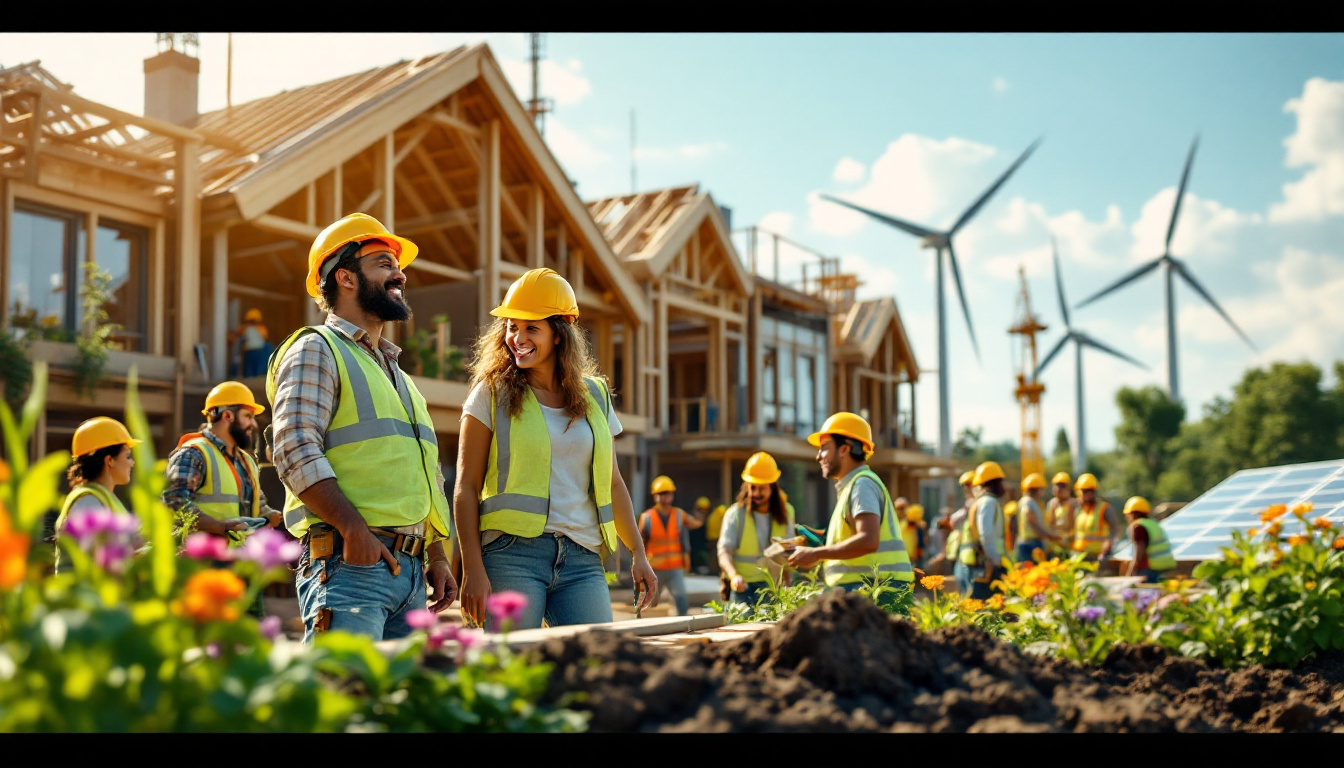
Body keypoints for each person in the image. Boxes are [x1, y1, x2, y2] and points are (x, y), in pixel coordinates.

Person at [266, 212, 456, 644]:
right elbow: (293, 447)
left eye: (397, 265)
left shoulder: (398, 375)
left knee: (398, 708)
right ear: (347, 278)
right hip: (350, 566)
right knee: (344, 700)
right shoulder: (317, 349)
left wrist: (436, 554)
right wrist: (353, 530)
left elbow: (423, 477)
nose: (400, 274)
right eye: (384, 264)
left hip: (408, 573)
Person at [454, 267, 657, 631]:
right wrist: (471, 568)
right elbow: (465, 488)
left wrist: (638, 554)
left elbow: (613, 483)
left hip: (582, 558)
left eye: (532, 328)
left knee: (596, 667)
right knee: (511, 672)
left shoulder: (595, 395)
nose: (517, 337)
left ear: (560, 334)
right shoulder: (491, 393)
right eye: (512, 326)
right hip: (511, 556)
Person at [788, 412, 914, 613]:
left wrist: (816, 553)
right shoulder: (853, 486)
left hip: (875, 594)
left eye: (824, 448)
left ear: (844, 449)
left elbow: (867, 540)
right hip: (869, 592)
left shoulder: (861, 485)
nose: (818, 455)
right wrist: (819, 540)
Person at [163, 381, 282, 540]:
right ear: (227, 416)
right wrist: (218, 527)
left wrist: (268, 514)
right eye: (248, 416)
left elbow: (254, 505)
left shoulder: (246, 461)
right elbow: (174, 502)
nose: (253, 424)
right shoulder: (194, 454)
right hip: (200, 557)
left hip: (238, 558)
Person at [52, 417, 139, 572]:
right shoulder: (87, 502)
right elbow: (99, 561)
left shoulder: (102, 497)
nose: (132, 463)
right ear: (109, 460)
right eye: (127, 456)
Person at [717, 452, 795, 606]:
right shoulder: (735, 514)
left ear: (772, 488)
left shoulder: (787, 512)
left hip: (773, 587)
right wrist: (734, 576)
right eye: (753, 488)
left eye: (762, 488)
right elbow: (724, 551)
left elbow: (788, 552)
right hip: (742, 588)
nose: (756, 493)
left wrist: (788, 580)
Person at [639, 475, 700, 616]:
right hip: (654, 569)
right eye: (661, 494)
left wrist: (702, 514)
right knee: (648, 602)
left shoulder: (679, 515)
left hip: (674, 568)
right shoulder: (647, 517)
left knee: (681, 600)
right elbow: (640, 544)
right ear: (655, 496)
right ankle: (641, 627)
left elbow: (694, 524)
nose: (665, 497)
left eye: (668, 493)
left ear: (672, 495)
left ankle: (684, 628)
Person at [955, 461, 1008, 601]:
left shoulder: (981, 501)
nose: (1004, 485)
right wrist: (996, 561)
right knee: (984, 610)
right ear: (994, 482)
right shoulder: (988, 502)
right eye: (1001, 481)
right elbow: (986, 534)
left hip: (976, 561)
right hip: (984, 563)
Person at [1071, 473, 1124, 562]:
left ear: (1094, 492)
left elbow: (1116, 529)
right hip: (1080, 556)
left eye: (1088, 491)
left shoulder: (1104, 508)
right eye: (1083, 491)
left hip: (1099, 558)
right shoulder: (1079, 511)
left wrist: (1108, 544)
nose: (1086, 494)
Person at [1122, 496, 1176, 584]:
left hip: (1150, 569)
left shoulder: (1139, 527)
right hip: (1165, 567)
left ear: (1132, 514)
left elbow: (1139, 553)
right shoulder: (1153, 524)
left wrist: (1130, 574)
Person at [1014, 473, 1062, 563]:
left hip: (1027, 543)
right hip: (1031, 544)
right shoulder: (1028, 502)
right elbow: (1032, 521)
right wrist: (1049, 535)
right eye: (1041, 489)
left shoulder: (1027, 501)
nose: (1042, 492)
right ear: (1036, 489)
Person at [1045, 471, 1078, 557]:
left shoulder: (1075, 503)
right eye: (1057, 485)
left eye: (1062, 486)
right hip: (1054, 545)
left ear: (1068, 488)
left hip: (1070, 544)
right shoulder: (1051, 504)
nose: (1059, 489)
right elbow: (1049, 524)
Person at [236, 307, 273, 378]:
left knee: (250, 370)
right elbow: (266, 338)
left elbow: (240, 337)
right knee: (256, 369)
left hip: (250, 351)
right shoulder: (261, 328)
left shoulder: (244, 328)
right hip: (257, 351)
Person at [688, 495, 713, 573]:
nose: (703, 512)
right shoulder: (690, 522)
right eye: (700, 510)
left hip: (703, 555)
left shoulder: (709, 522)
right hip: (692, 554)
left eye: (705, 510)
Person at [902, 503, 928, 568]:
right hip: (907, 557)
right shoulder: (904, 527)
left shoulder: (920, 527)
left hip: (917, 557)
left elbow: (922, 542)